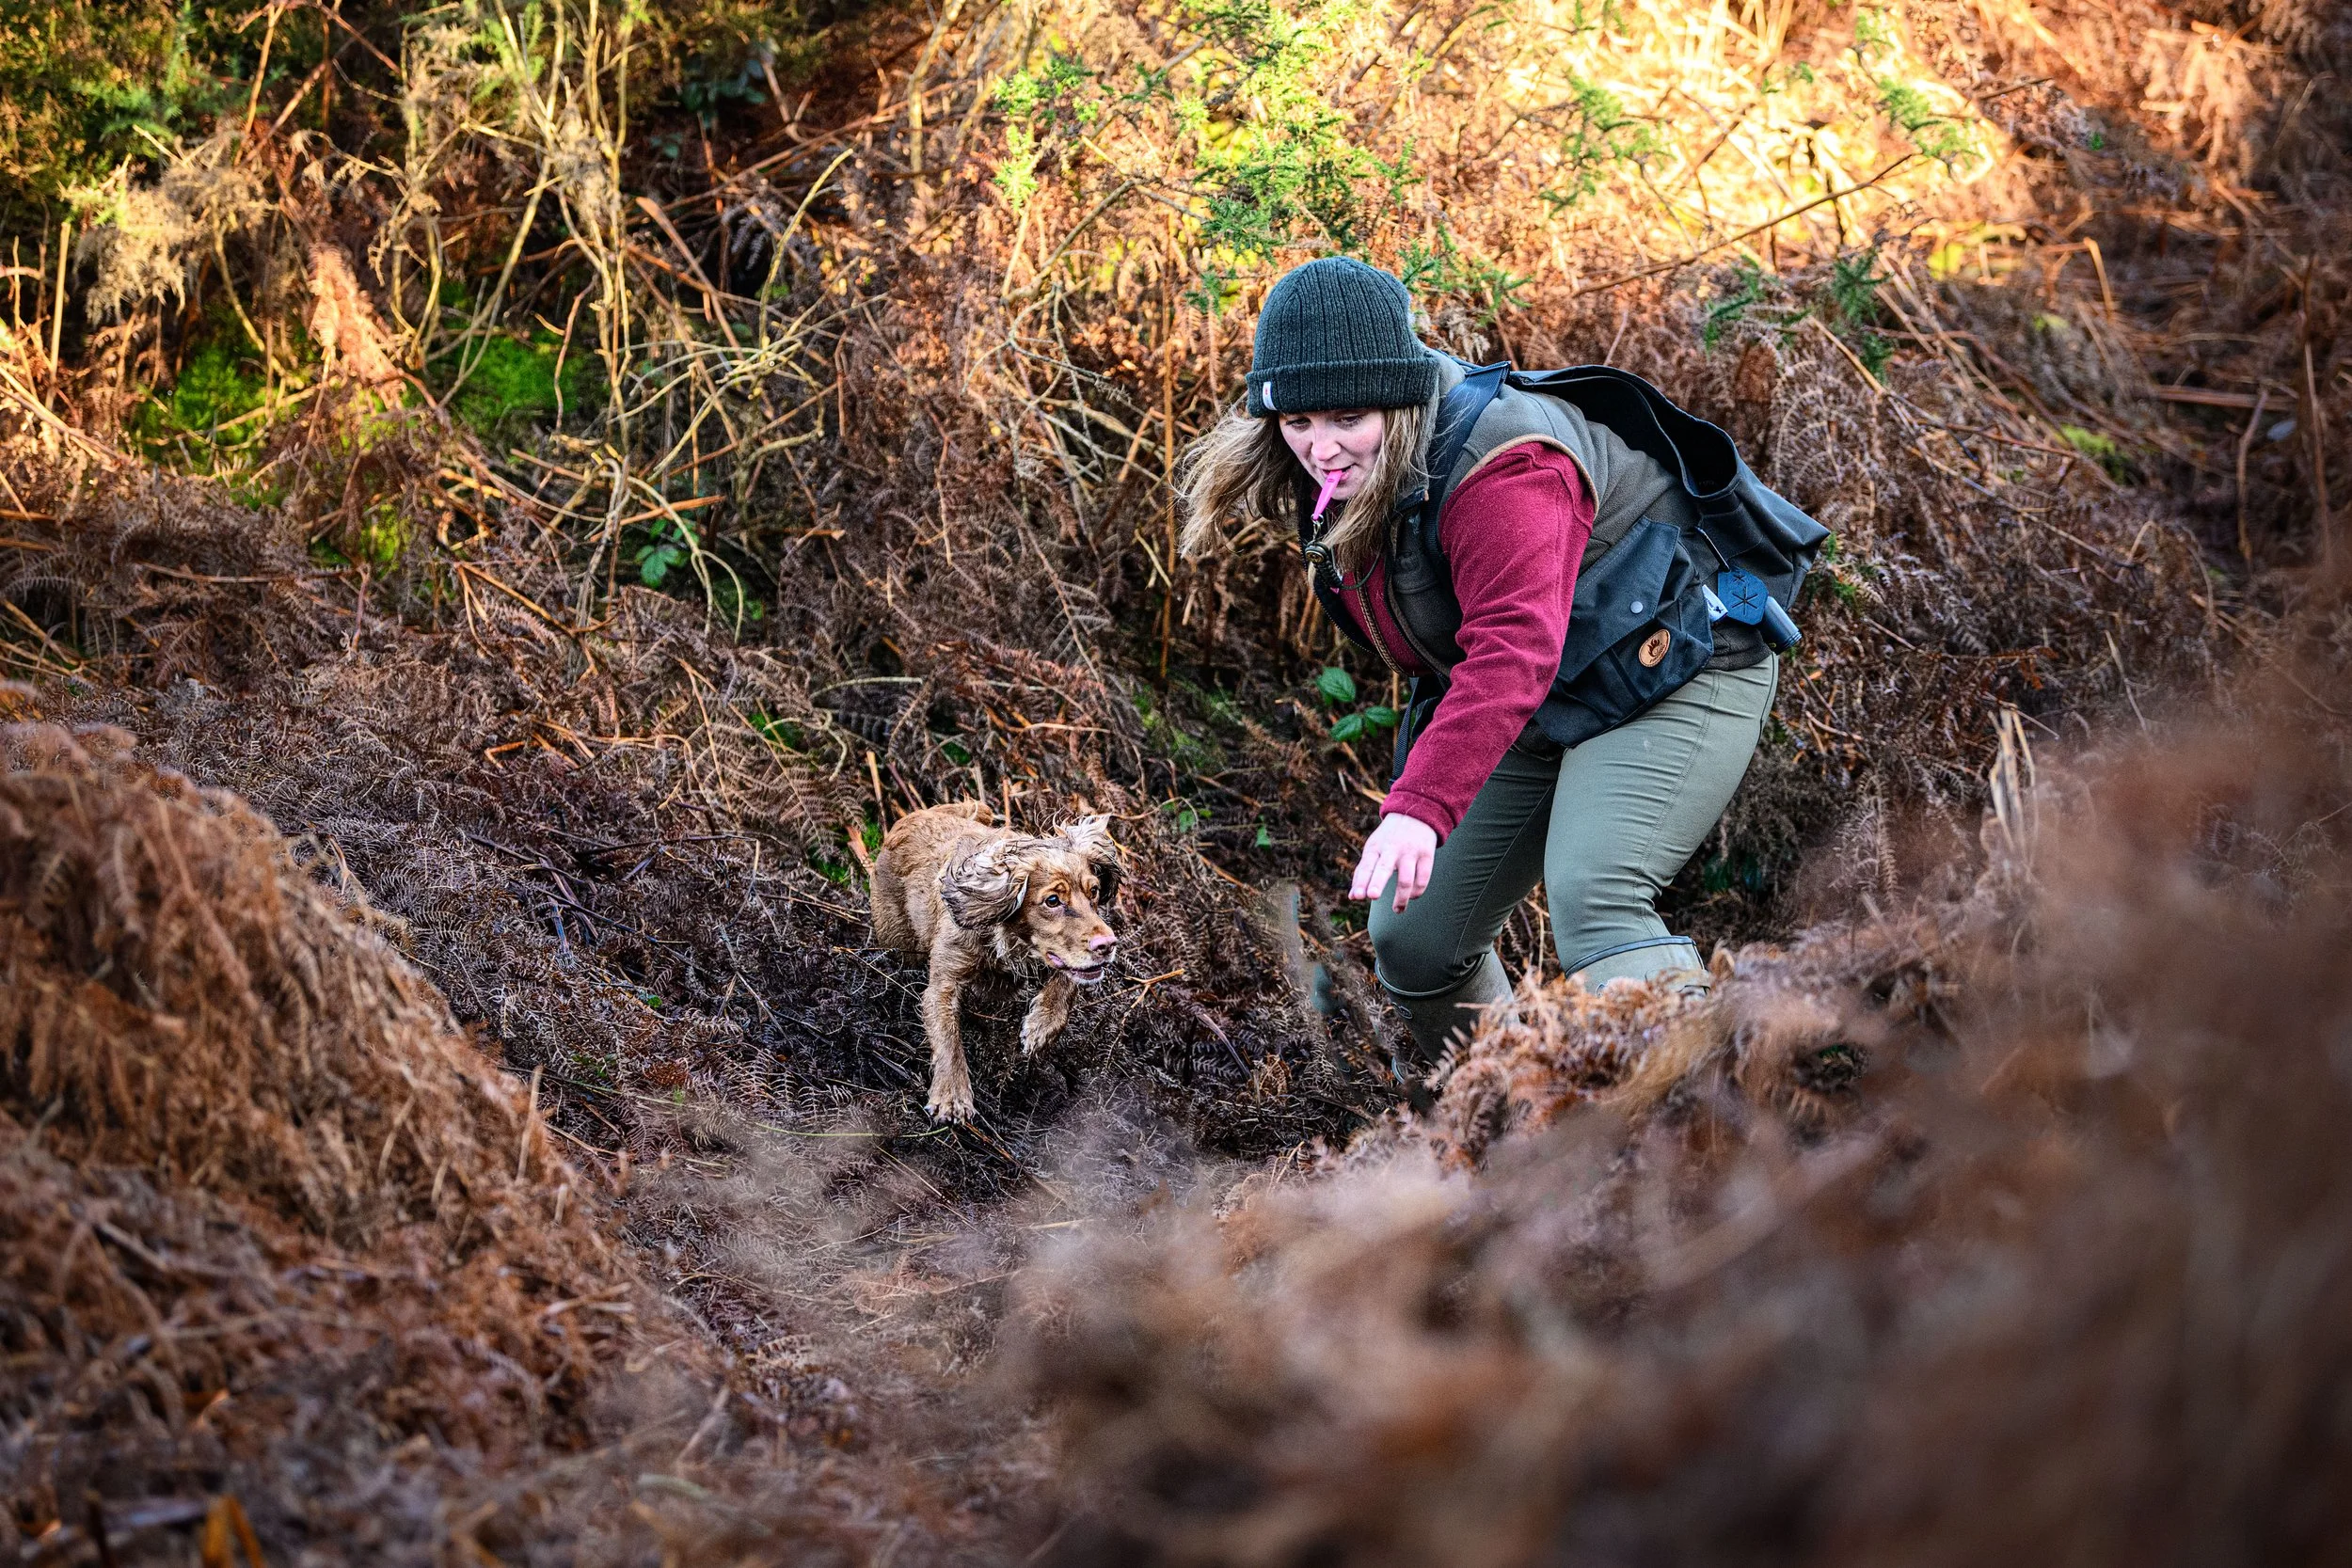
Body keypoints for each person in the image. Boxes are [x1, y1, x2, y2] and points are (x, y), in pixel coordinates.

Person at [1177, 256, 1793, 1070]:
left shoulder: (1506, 467)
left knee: (1595, 900)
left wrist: (1421, 804)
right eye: (1296, 423)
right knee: (1417, 936)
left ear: (1398, 395)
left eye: (1345, 418)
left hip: (1682, 661)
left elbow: (1513, 646)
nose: (1320, 449)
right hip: (1557, 686)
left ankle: (1714, 1131)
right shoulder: (1344, 470)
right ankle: (1513, 1128)